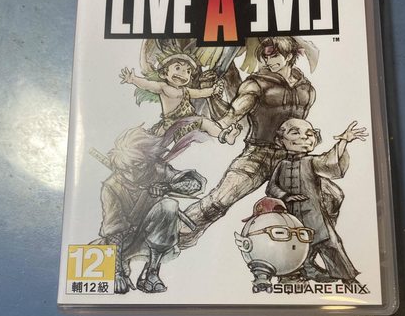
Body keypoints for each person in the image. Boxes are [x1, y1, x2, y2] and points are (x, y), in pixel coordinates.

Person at [181, 36, 317, 245]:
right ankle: (175, 234)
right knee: (220, 199)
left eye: (275, 57)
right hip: (258, 155)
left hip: (292, 159)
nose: (269, 62)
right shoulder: (256, 84)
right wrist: (217, 121)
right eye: (266, 57)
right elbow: (233, 113)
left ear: (289, 56)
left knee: (312, 207)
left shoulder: (306, 89)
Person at [97, 125, 206, 294]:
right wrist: (116, 272)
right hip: (124, 242)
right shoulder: (112, 187)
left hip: (154, 235)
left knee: (169, 205)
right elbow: (114, 232)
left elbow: (194, 184)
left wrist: (169, 187)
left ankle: (152, 272)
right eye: (126, 168)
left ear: (149, 159)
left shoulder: (158, 169)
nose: (132, 174)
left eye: (138, 165)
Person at [266, 118, 368, 283]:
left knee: (330, 244)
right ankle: (294, 274)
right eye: (295, 133)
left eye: (309, 134)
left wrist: (343, 141)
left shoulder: (311, 162)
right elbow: (271, 187)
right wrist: (285, 196)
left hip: (315, 215)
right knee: (293, 247)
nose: (304, 137)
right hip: (291, 217)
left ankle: (347, 278)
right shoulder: (281, 165)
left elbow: (329, 162)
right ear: (280, 140)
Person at [119, 53, 241, 145]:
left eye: (187, 71)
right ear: (164, 73)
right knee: (155, 140)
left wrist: (213, 90)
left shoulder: (185, 90)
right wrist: (133, 79)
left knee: (206, 123)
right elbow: (147, 85)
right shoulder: (163, 87)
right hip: (172, 124)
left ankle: (225, 136)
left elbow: (200, 93)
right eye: (177, 68)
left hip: (188, 121)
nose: (183, 73)